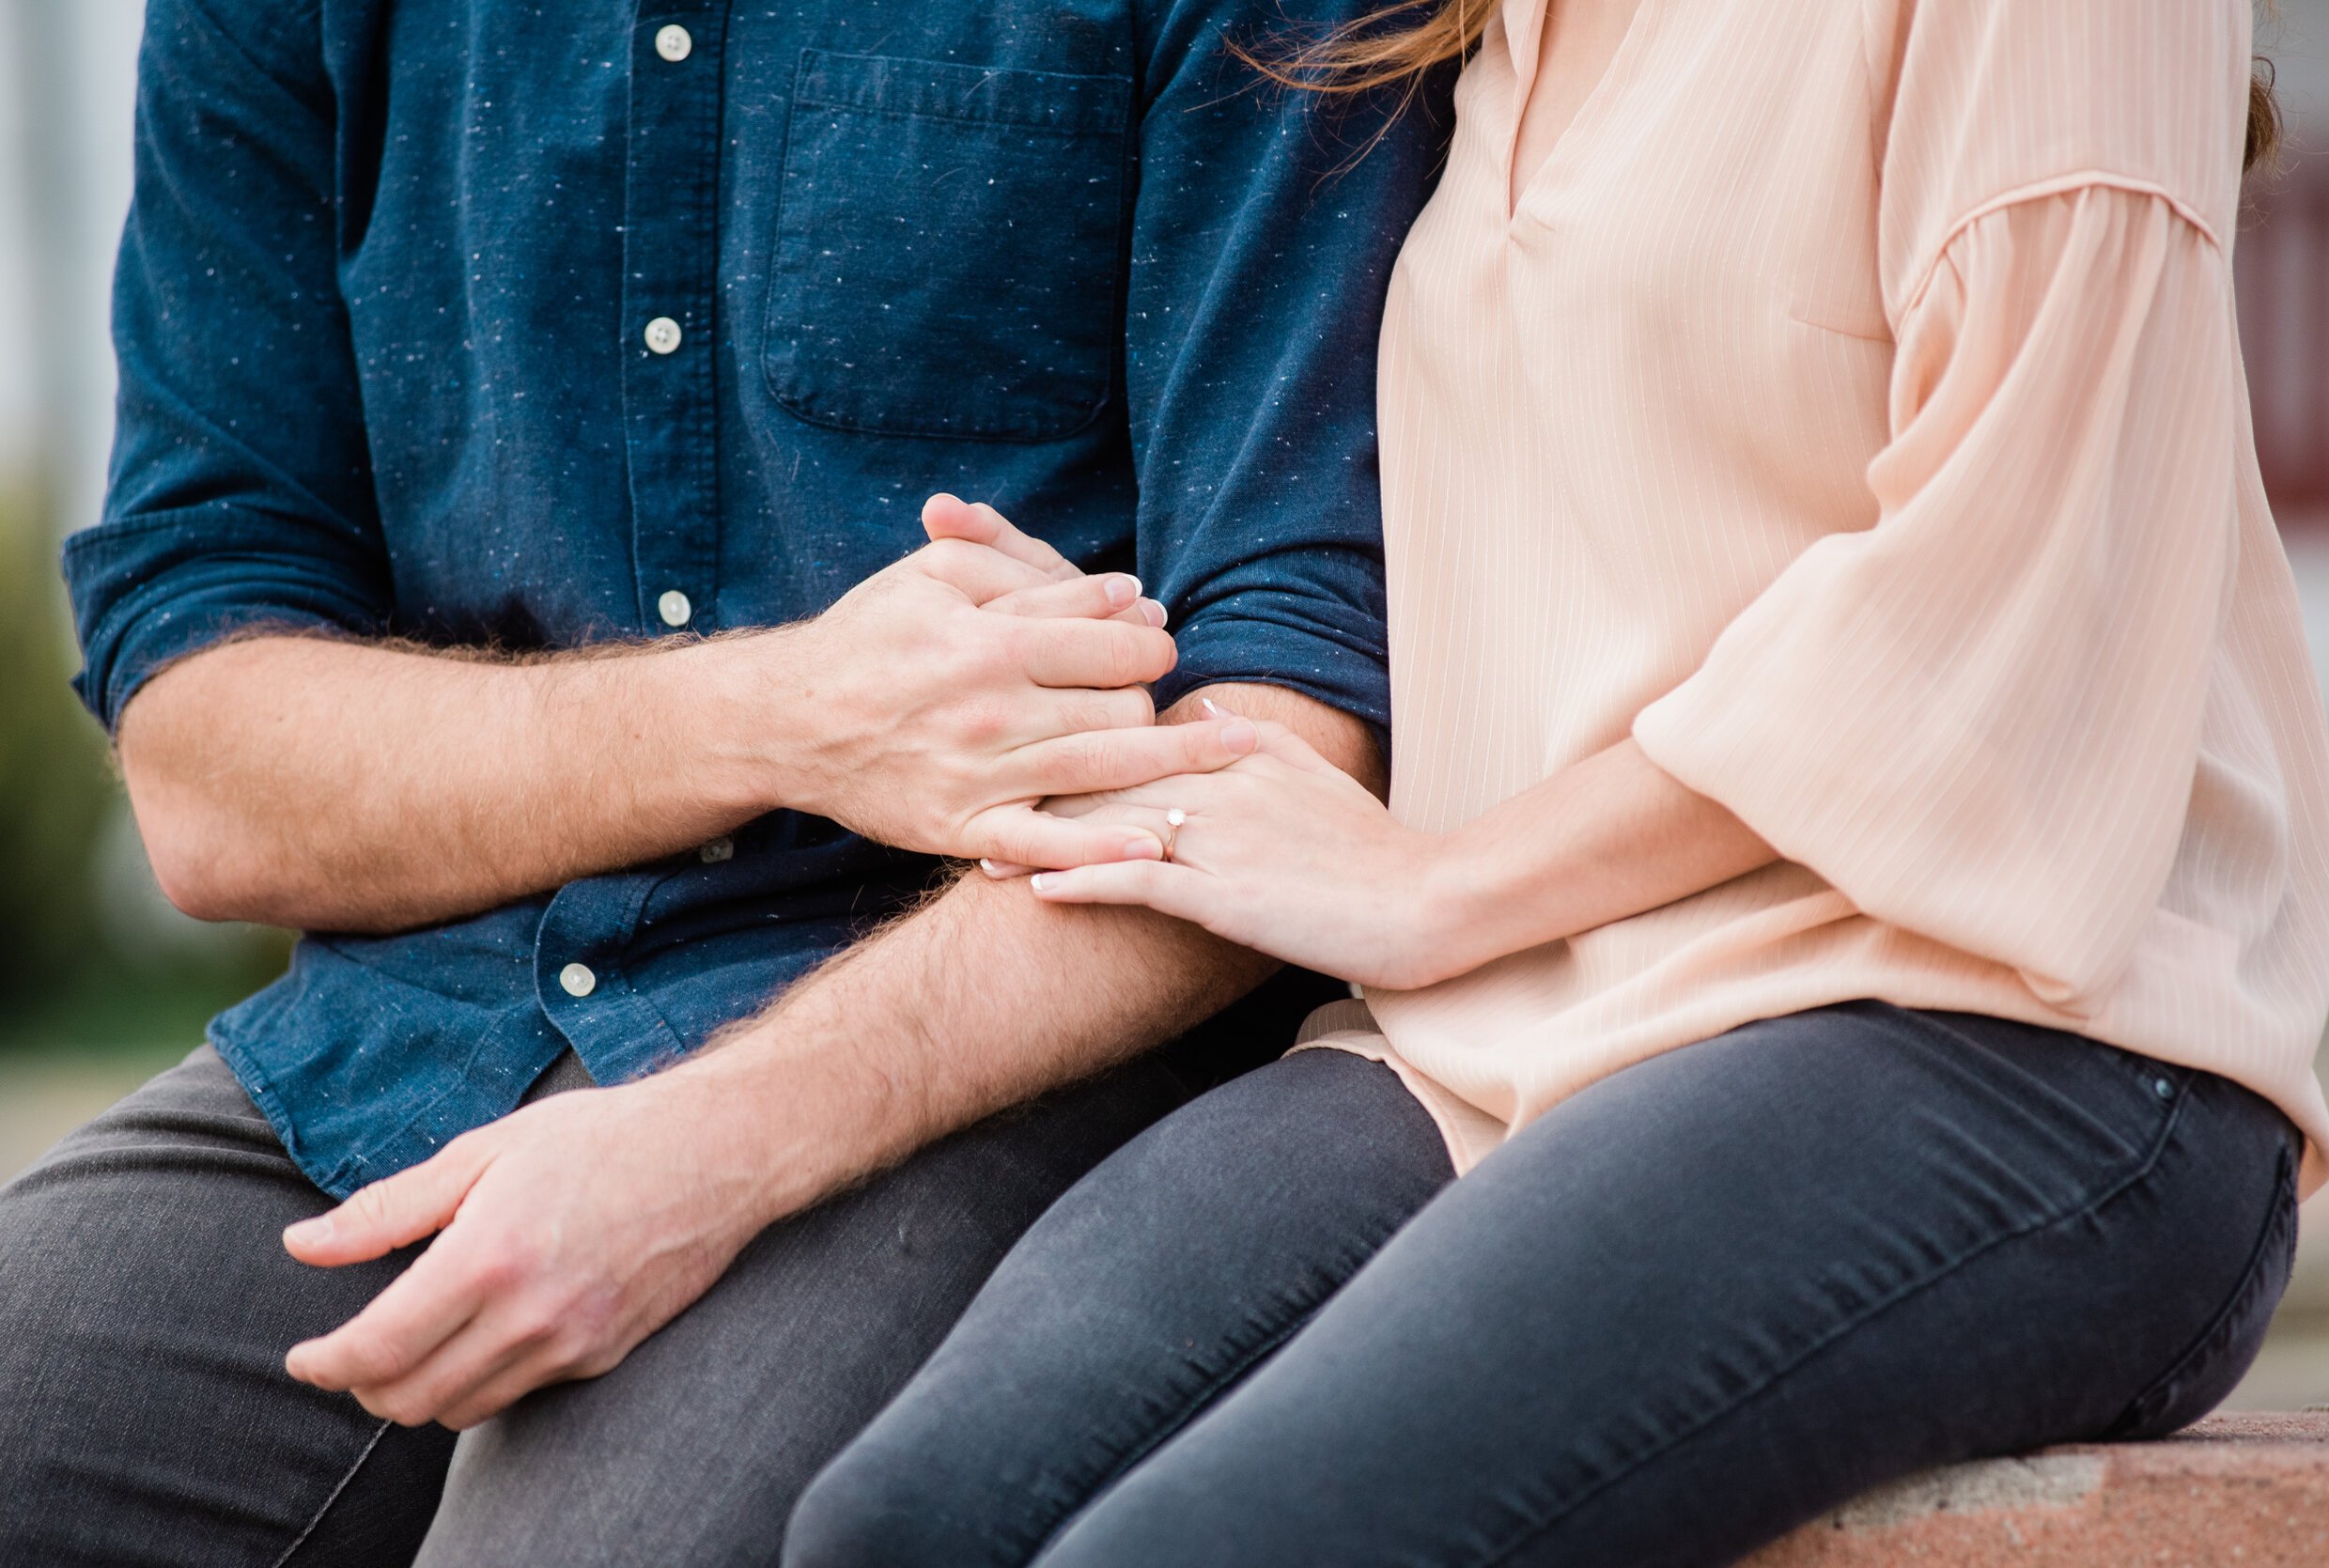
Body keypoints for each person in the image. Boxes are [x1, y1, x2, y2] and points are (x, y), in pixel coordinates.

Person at [784, 2, 2329, 1564]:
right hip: (1513, 1028)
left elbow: (2010, 610)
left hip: (2007, 1032)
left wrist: (1434, 888)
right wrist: (1094, 677)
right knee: (900, 1525)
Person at [0, 2, 1449, 1563]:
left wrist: (709, 1146)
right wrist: (784, 715)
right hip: (413, 1039)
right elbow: (211, 779)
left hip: (987, 1027)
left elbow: (1293, 726)